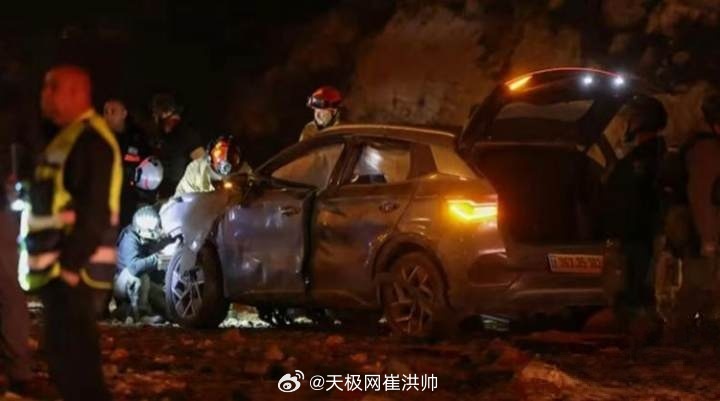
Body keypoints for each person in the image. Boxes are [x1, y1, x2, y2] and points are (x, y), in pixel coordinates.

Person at [19, 65, 121, 401]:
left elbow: (94, 212)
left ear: (77, 93)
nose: (44, 95)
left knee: (79, 372)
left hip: (76, 274)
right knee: (67, 366)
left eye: (52, 88)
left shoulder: (90, 141)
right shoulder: (67, 137)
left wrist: (69, 268)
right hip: (61, 272)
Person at [659, 93, 720, 341]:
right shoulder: (706, 150)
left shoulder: (702, 147)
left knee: (705, 289)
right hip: (702, 236)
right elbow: (702, 196)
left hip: (701, 234)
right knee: (698, 287)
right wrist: (708, 239)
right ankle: (676, 338)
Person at [603, 95, 668, 321]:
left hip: (640, 237)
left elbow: (630, 199)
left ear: (640, 122)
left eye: (631, 119)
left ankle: (640, 330)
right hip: (640, 236)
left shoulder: (643, 160)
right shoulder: (654, 156)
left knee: (637, 293)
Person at [114, 206, 172, 323]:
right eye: (153, 230)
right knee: (142, 277)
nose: (157, 232)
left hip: (137, 283)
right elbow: (134, 267)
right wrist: (156, 258)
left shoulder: (144, 238)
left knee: (164, 298)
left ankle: (125, 311)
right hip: (121, 281)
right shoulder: (129, 239)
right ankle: (142, 314)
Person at [103, 99, 151, 226]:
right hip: (104, 195)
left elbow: (149, 164)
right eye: (106, 112)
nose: (108, 115)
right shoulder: (97, 136)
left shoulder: (137, 137)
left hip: (130, 196)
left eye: (113, 111)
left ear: (124, 114)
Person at [148, 94, 204, 198]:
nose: (154, 117)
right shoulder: (160, 137)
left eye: (155, 113)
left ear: (163, 113)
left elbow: (202, 162)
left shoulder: (186, 134)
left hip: (183, 197)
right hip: (162, 195)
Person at [174, 135, 250, 196]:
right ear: (211, 153)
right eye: (219, 153)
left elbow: (252, 180)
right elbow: (181, 198)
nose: (224, 159)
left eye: (232, 155)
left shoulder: (243, 169)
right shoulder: (197, 169)